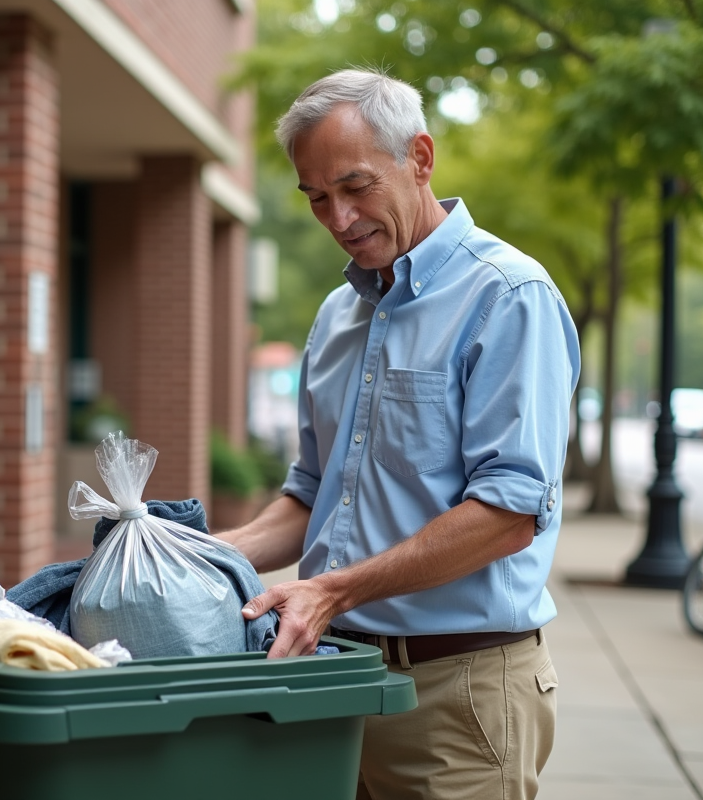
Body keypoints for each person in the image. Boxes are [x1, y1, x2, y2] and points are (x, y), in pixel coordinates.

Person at [218, 69, 580, 800]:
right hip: (332, 686)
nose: (339, 219)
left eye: (355, 187)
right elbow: (312, 495)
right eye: (317, 197)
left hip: (458, 698)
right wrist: (199, 554)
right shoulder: (336, 315)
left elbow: (508, 516)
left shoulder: (509, 297)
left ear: (419, 158)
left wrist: (330, 592)